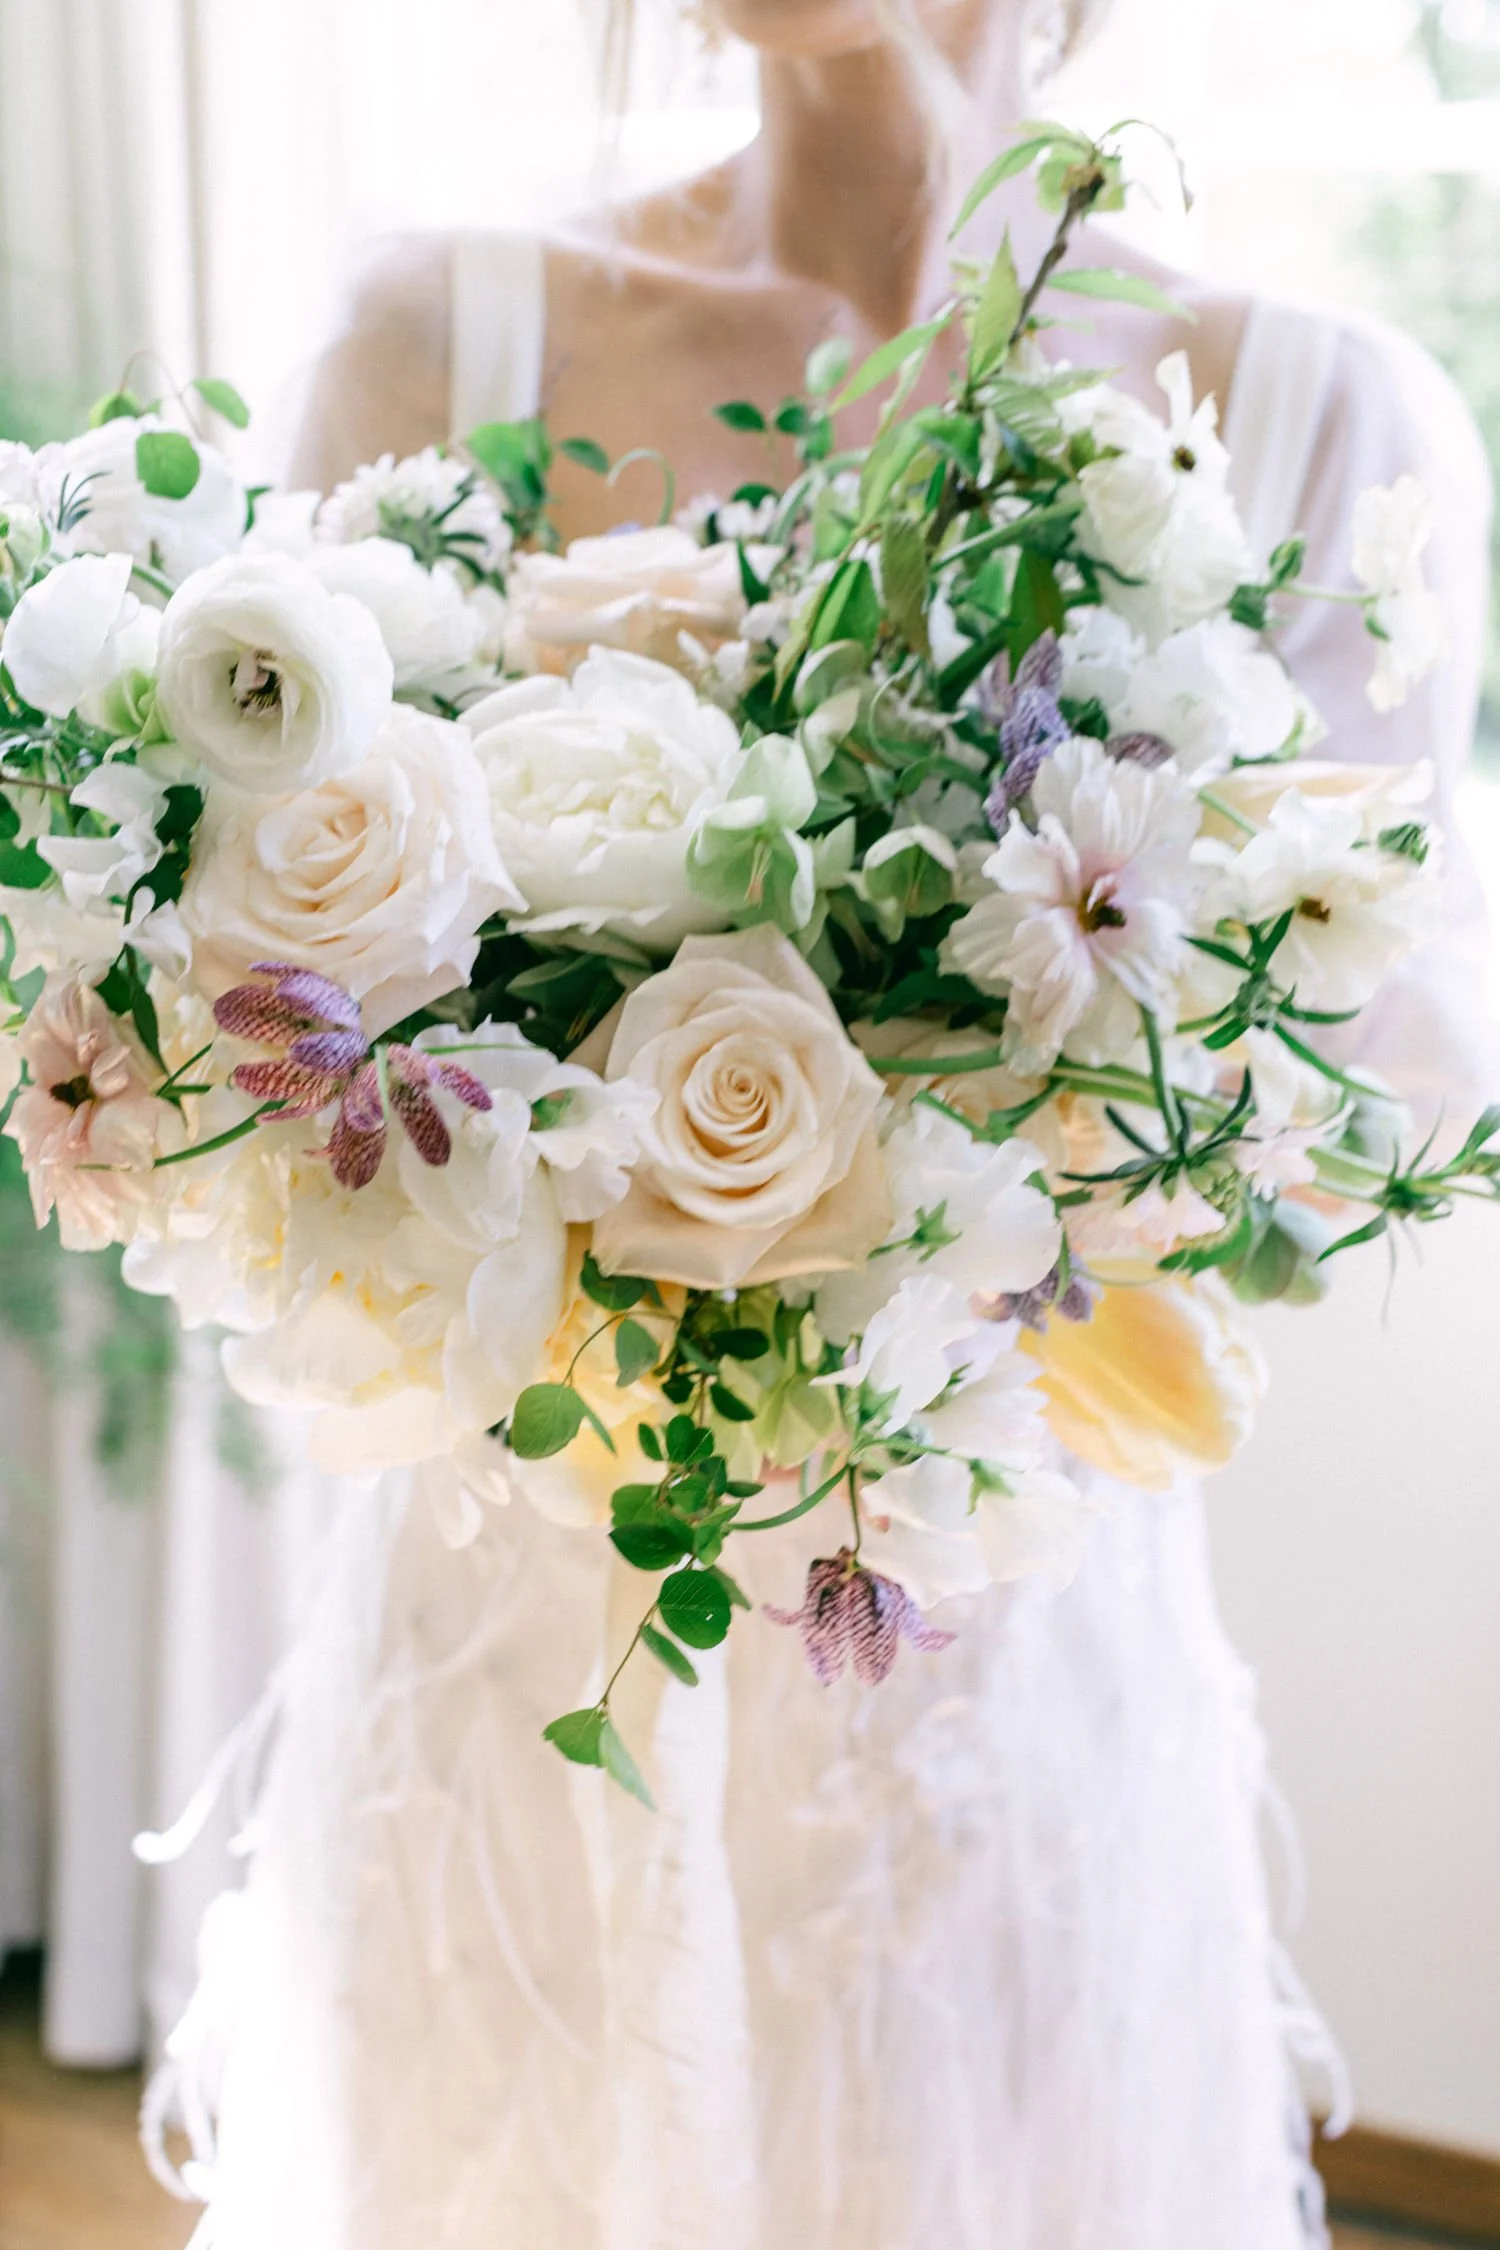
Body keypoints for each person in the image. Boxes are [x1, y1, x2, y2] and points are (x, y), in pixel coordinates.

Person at [172, 4, 1490, 2246]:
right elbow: (247, 1038)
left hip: (987, 1687)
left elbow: (1355, 1103)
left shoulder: (1310, 418)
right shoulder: (431, 347)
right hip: (530, 1654)